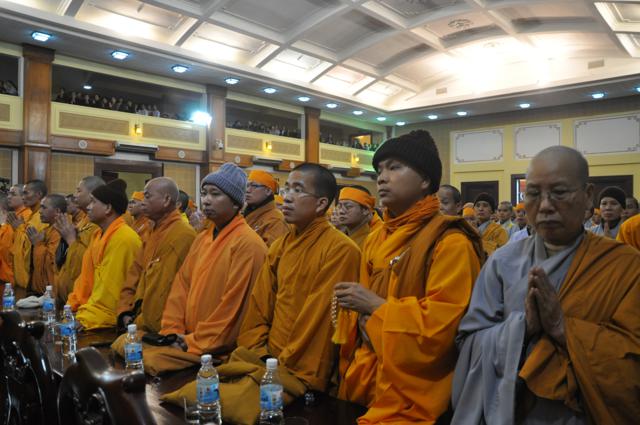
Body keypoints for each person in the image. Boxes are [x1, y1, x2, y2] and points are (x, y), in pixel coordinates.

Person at [451, 146, 640, 424]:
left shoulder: (625, 265)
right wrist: (523, 327)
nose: (545, 205)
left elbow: (632, 362)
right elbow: (468, 345)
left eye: (559, 192)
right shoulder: (502, 261)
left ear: (588, 196)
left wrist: (562, 328)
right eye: (533, 194)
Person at [161, 163, 360, 425]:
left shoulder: (341, 250)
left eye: (297, 190)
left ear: (321, 203)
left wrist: (280, 365)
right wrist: (259, 351)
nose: (287, 197)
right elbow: (258, 307)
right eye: (287, 189)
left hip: (303, 366)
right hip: (264, 358)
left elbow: (319, 319)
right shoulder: (280, 247)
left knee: (225, 405)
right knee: (193, 396)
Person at [335, 130, 484, 424]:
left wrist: (375, 307)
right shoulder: (376, 238)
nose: (382, 178)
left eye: (394, 167)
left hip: (417, 395)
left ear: (425, 180)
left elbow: (442, 330)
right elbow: (360, 323)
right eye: (379, 170)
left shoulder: (450, 242)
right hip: (364, 380)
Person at [141, 164, 268, 376]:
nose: (206, 200)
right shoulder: (202, 238)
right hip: (185, 340)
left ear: (236, 202)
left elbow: (234, 308)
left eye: (215, 194)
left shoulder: (248, 244)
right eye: (204, 193)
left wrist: (190, 342)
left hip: (216, 349)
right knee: (126, 346)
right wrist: (172, 330)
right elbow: (181, 287)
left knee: (146, 359)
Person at [111, 178, 196, 352]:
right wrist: (125, 311)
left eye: (148, 196)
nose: (143, 202)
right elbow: (135, 274)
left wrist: (159, 328)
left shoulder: (183, 235)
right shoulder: (152, 231)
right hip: (140, 320)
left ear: (166, 200)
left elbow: (169, 289)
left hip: (163, 327)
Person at [66, 179, 142, 330]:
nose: (88, 207)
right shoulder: (98, 235)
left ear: (108, 208)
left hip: (108, 319)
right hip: (90, 311)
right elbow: (85, 280)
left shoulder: (124, 239)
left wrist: (86, 319)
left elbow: (110, 294)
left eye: (93, 202)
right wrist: (71, 308)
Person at [54, 176, 103, 305]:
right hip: (69, 295)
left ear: (92, 193)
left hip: (84, 298)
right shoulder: (83, 221)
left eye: (79, 191)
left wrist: (70, 239)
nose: (75, 195)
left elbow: (85, 264)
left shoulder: (98, 225)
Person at [8, 180, 48, 289]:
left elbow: (29, 246)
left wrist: (19, 228)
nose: (23, 197)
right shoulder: (32, 215)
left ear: (38, 194)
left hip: (32, 277)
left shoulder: (41, 217)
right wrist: (19, 228)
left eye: (26, 193)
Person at [29, 194, 64, 294]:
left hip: (51, 291)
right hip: (41, 289)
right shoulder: (47, 230)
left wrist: (38, 244)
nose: (40, 211)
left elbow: (52, 264)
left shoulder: (60, 232)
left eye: (44, 207)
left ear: (57, 211)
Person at [244, 170, 289, 246]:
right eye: (247, 185)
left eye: (254, 186)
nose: (248, 190)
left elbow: (269, 252)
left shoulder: (276, 221)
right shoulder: (247, 214)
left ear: (268, 191)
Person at [0, 186, 32, 284]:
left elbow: (24, 245)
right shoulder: (13, 215)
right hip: (5, 271)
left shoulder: (27, 215)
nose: (9, 197)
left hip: (14, 273)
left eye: (13, 194)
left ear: (23, 197)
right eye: (8, 194)